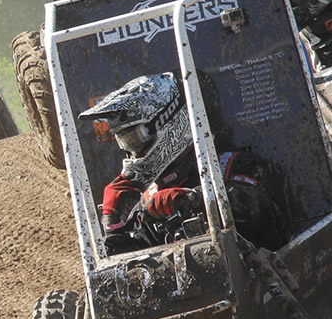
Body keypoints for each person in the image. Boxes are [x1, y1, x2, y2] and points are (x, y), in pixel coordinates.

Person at [79, 73, 286, 253]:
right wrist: (113, 224)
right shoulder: (149, 199)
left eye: (134, 139)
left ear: (167, 122)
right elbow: (131, 273)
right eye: (124, 142)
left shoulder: (232, 165)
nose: (131, 150)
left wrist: (192, 198)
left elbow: (261, 212)